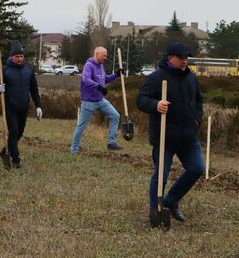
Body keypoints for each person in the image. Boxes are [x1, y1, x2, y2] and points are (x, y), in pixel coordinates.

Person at [137, 42, 205, 223]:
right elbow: (141, 99)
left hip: (188, 136)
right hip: (164, 136)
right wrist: (155, 105)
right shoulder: (157, 78)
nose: (185, 61)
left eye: (186, 58)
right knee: (161, 175)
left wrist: (197, 120)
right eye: (181, 58)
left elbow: (199, 100)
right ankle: (156, 211)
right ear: (170, 58)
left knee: (197, 168)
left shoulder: (191, 77)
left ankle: (171, 200)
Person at [0, 41, 42, 169]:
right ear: (12, 57)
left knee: (19, 132)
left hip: (23, 107)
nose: (20, 59)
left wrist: (38, 105)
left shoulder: (28, 70)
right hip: (10, 106)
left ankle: (4, 150)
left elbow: (34, 89)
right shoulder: (6, 70)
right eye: (17, 56)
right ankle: (16, 159)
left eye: (21, 56)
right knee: (13, 131)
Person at [70, 47, 124, 154]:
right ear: (97, 54)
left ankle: (111, 142)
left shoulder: (101, 66)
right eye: (104, 55)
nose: (106, 57)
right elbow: (86, 80)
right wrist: (99, 87)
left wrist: (116, 75)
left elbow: (105, 79)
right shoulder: (88, 66)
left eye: (106, 55)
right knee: (81, 126)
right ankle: (74, 149)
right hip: (89, 102)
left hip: (100, 101)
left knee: (115, 116)